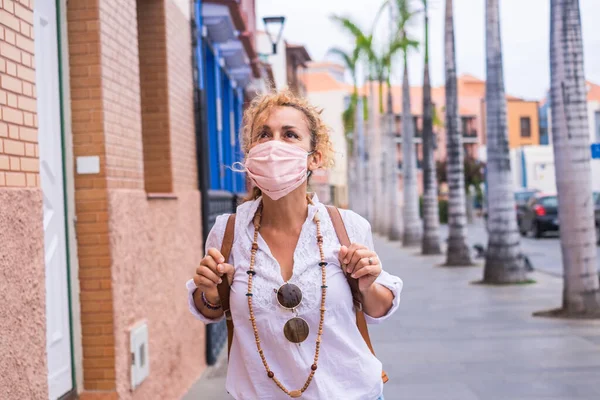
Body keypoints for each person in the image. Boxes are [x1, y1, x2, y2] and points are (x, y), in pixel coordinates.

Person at [186, 89, 403, 400]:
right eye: (263, 134)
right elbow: (211, 310)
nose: (274, 144)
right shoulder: (228, 232)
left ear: (314, 156)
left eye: (289, 135)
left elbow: (378, 309)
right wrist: (208, 291)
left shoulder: (347, 227)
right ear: (250, 153)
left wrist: (368, 284)